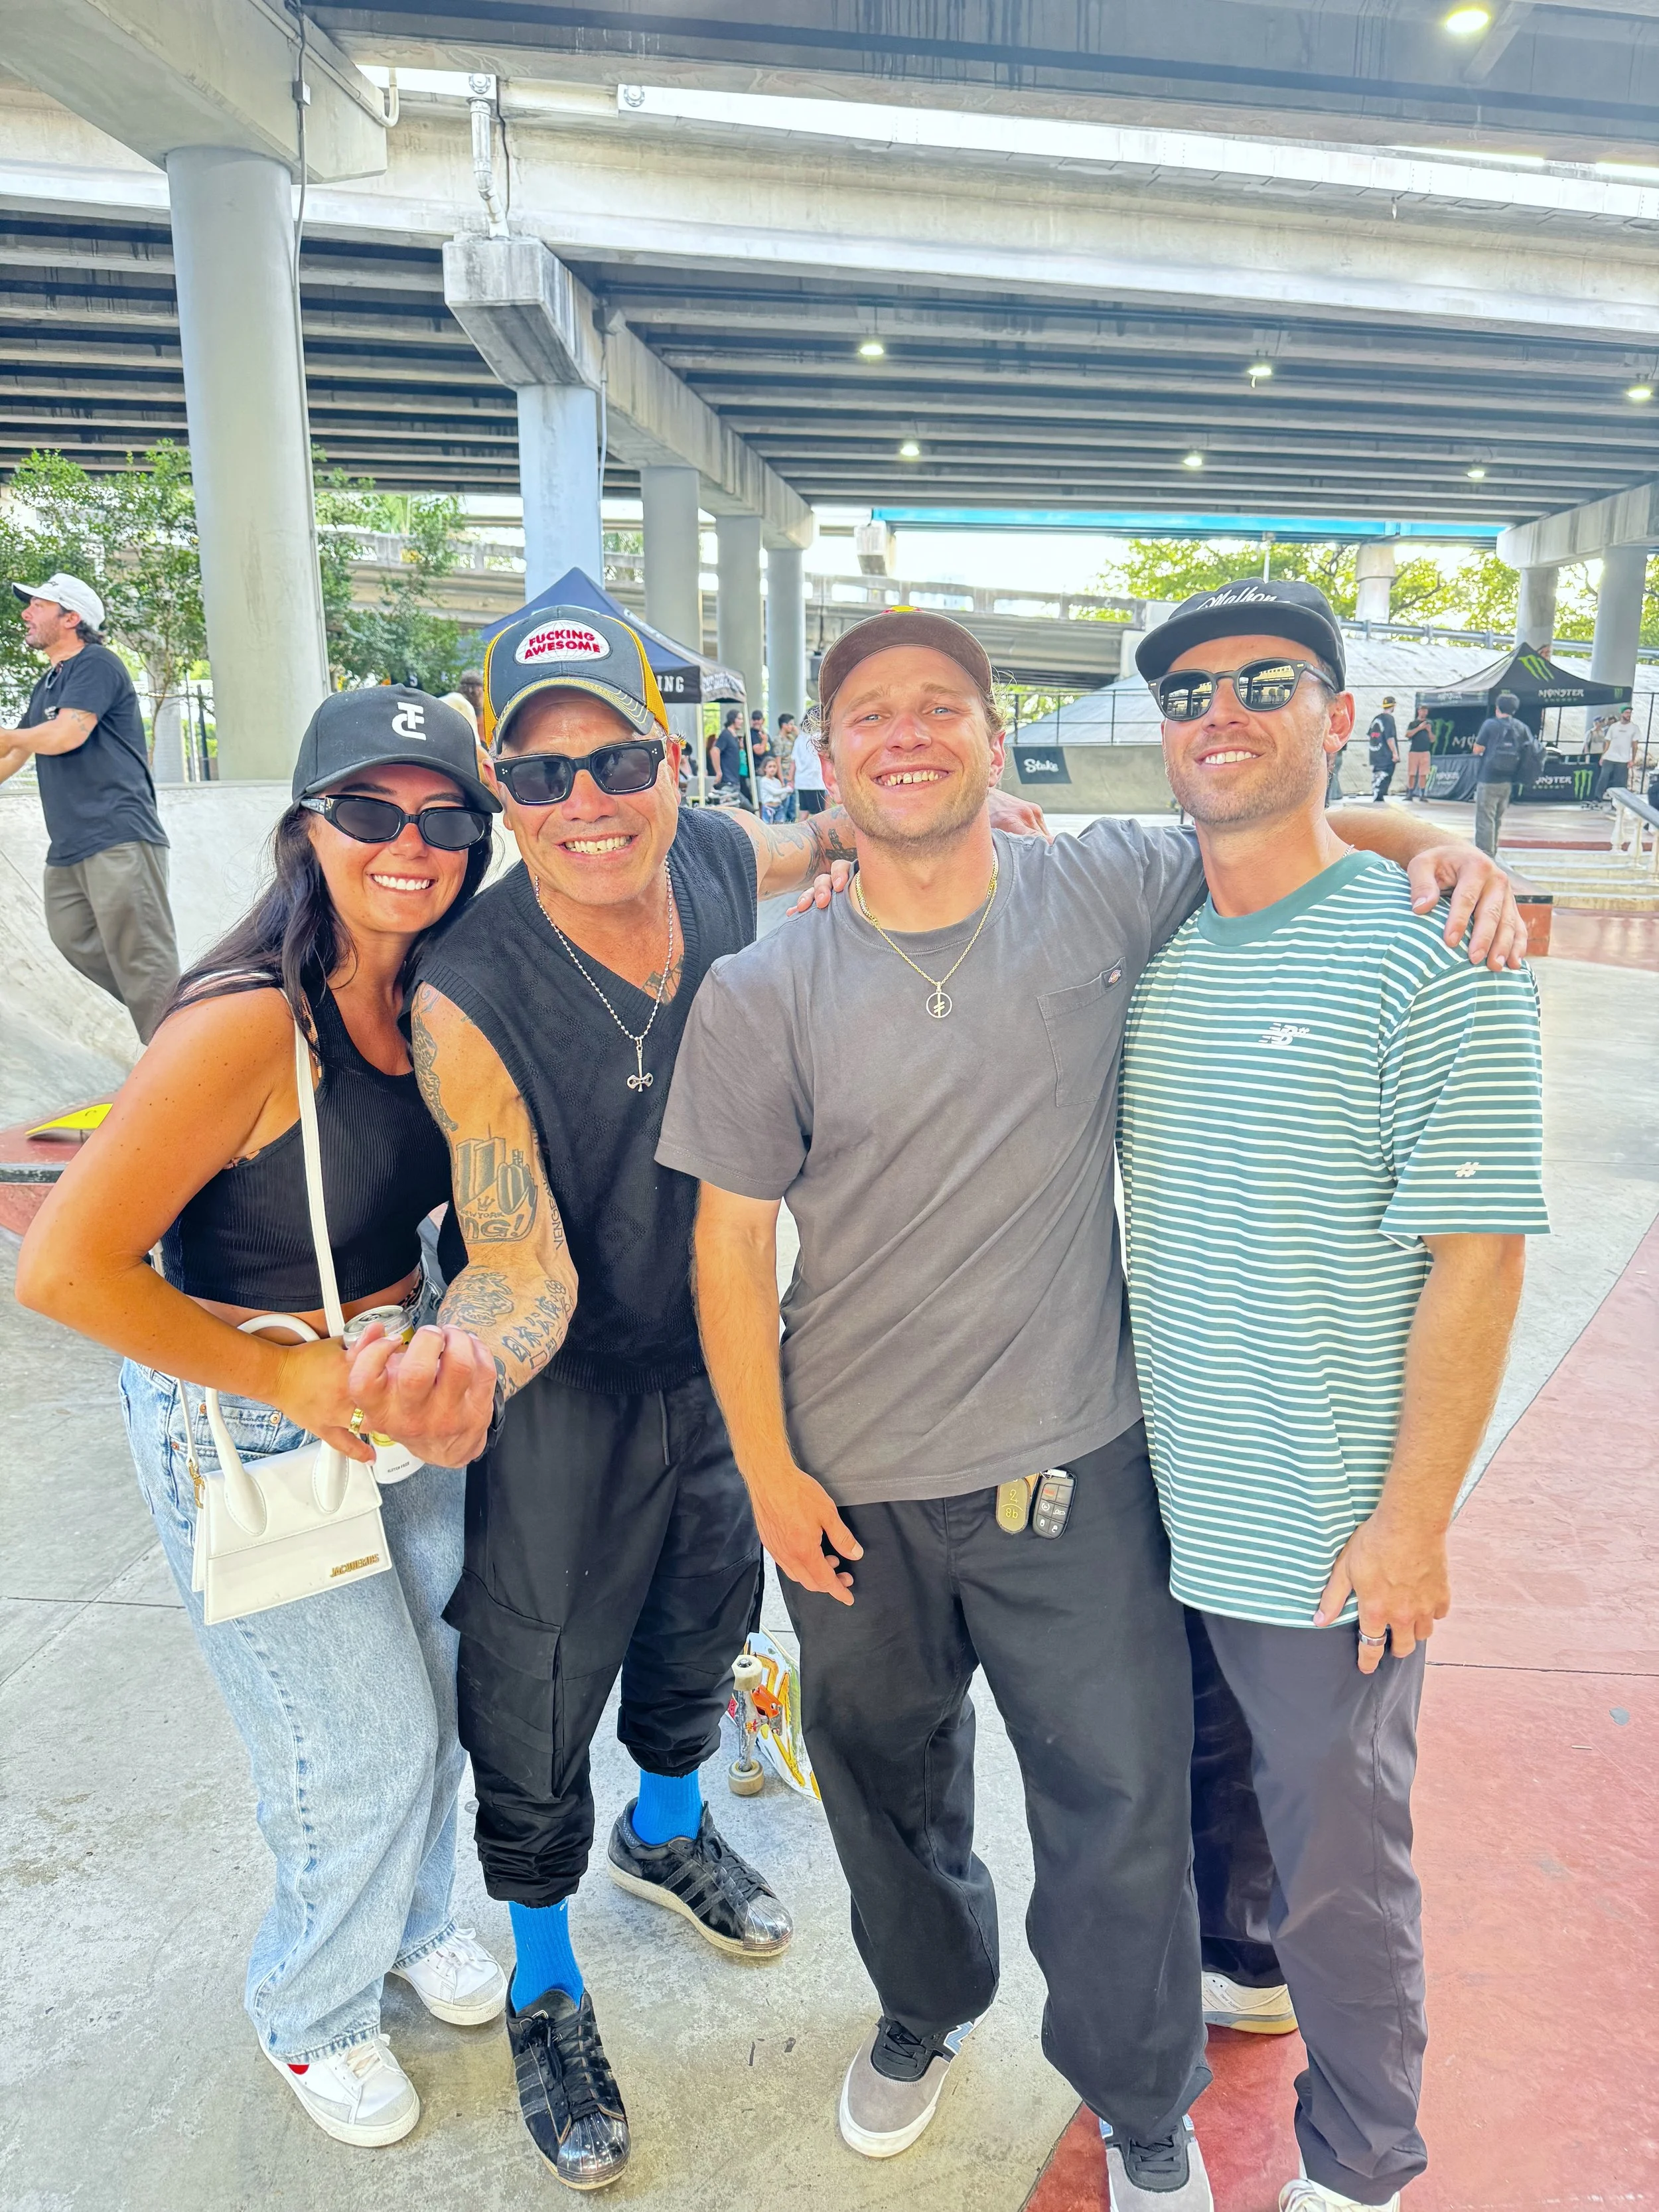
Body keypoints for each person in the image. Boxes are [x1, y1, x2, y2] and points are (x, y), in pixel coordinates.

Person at [654, 597, 1526, 2211]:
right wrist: (766, 1467)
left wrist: (1443, 850)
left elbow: (1280, 812)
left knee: (1116, 1816)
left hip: (1074, 1468)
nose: (905, 732)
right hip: (850, 1483)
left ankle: (1142, 2115)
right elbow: (727, 1242)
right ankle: (923, 2010)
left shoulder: (1102, 886)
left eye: (941, 706)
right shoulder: (765, 988)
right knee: (882, 1782)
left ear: (998, 742)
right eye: (868, 716)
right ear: (824, 758)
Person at [400, 605, 1046, 2191]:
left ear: (669, 759)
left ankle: (669, 1823)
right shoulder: (468, 986)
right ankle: (547, 1977)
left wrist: (967, 816)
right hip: (563, 1383)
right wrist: (472, 1350)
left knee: (706, 1611)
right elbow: (513, 1256)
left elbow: (829, 822)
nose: (586, 802)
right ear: (500, 791)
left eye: (617, 757)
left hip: (725, 1347)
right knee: (541, 1683)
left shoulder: (706, 855)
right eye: (541, 777)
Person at [15, 688, 506, 2149]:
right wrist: (291, 1378)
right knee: (344, 1740)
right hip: (254, 1409)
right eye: (370, 811)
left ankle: (415, 1921)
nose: (409, 843)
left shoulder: (424, 989)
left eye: (444, 818)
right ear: (306, 828)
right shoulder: (244, 1025)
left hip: (388, 1377)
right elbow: (61, 1266)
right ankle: (312, 2006)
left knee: (435, 1695)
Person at [1120, 593, 1547, 2212]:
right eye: (1187, 693)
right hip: (1164, 1494)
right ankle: (1243, 1975)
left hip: (1327, 1526)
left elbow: (1481, 1262)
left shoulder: (1431, 951)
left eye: (1263, 685)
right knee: (1211, 1812)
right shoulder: (1155, 934)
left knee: (1345, 1874)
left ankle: (1360, 2166)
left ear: (1337, 711)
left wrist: (1413, 1523)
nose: (1219, 712)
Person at [1, 571, 179, 1041]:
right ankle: (183, 1018)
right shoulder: (48, 685)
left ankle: (184, 1058)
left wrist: (10, 736)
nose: (26, 613)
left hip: (118, 833)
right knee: (72, 938)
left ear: (71, 617)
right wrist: (11, 740)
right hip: (70, 846)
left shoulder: (97, 663)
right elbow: (16, 751)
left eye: (37, 605)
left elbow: (66, 734)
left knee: (143, 956)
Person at [1471, 689, 1539, 855]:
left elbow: (1477, 749)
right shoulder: (1521, 727)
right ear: (1515, 710)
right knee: (1497, 818)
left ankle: (1484, 855)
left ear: (1497, 708)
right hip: (1508, 780)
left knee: (1484, 818)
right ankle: (1493, 849)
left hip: (1488, 778)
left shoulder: (1490, 724)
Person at [792, 705, 829, 814]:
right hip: (814, 782)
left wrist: (790, 779)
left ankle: (797, 830)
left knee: (804, 813)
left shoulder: (800, 738)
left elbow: (793, 761)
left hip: (801, 781)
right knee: (820, 815)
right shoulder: (818, 737)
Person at [1597, 705, 1637, 802]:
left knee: (1620, 783)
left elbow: (1635, 745)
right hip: (1609, 758)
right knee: (1603, 778)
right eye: (1627, 713)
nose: (1629, 715)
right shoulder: (1614, 727)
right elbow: (1608, 742)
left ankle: (1617, 802)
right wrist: (1603, 756)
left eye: (1630, 713)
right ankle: (1597, 799)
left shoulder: (1634, 728)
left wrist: (1633, 760)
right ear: (1622, 714)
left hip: (1623, 760)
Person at [1367, 696, 1399, 804]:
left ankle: (1377, 794)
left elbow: (1371, 735)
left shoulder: (1376, 718)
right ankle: (1379, 796)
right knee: (1385, 774)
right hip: (1386, 754)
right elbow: (1390, 738)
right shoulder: (1389, 719)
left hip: (1375, 753)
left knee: (1377, 774)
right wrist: (1395, 753)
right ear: (1393, 706)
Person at [710, 707, 745, 798]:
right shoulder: (726, 734)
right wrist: (718, 772)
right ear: (733, 719)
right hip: (727, 781)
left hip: (735, 780)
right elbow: (715, 750)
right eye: (740, 719)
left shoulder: (734, 736)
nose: (742, 721)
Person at [774, 709, 801, 820]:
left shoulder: (791, 738)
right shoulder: (778, 740)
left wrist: (795, 731)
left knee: (792, 809)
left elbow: (804, 741)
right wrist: (781, 780)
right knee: (784, 808)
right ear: (784, 725)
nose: (792, 727)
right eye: (790, 724)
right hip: (784, 776)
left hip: (792, 777)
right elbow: (778, 761)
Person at [1403, 705, 1433, 800]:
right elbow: (1408, 735)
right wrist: (1420, 728)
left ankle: (1422, 794)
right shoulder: (1413, 723)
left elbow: (1433, 740)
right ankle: (1410, 794)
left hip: (1425, 751)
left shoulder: (1430, 723)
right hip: (1414, 752)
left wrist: (1429, 731)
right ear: (1419, 711)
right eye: (1422, 711)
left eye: (1425, 711)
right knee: (1412, 773)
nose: (1423, 713)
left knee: (1423, 774)